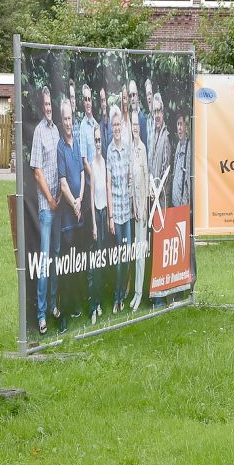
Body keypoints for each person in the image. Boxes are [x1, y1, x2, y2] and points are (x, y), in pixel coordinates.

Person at [29, 86, 59, 335]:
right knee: (45, 261)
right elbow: (36, 171)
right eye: (46, 105)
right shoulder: (39, 132)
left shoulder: (56, 129)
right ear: (41, 107)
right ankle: (41, 314)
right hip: (46, 208)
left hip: (58, 206)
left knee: (57, 259)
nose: (49, 108)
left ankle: (53, 305)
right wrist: (50, 198)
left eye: (51, 105)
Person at [56, 97, 84, 331]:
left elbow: (82, 175)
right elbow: (63, 183)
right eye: (64, 118)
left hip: (80, 216)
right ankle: (63, 316)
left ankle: (75, 306)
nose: (68, 123)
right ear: (61, 120)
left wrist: (81, 198)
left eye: (70, 118)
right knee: (65, 267)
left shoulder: (77, 142)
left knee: (77, 264)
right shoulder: (59, 147)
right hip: (67, 219)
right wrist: (74, 202)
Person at [106, 105, 131, 313]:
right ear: (111, 127)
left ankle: (123, 294)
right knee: (119, 260)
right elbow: (108, 184)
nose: (116, 128)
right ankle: (116, 297)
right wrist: (111, 217)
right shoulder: (109, 150)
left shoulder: (127, 149)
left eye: (118, 125)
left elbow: (130, 178)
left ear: (122, 127)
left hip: (128, 213)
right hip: (117, 215)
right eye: (113, 125)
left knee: (128, 255)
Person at [128, 111, 150, 312]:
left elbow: (145, 176)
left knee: (142, 254)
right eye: (132, 124)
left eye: (137, 124)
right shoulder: (131, 148)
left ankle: (140, 294)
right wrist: (134, 205)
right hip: (134, 210)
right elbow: (131, 180)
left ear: (140, 127)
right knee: (135, 253)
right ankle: (135, 293)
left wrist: (143, 206)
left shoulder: (142, 148)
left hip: (142, 211)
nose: (135, 127)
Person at [88, 124, 108, 325]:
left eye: (100, 140)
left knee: (102, 263)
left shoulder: (105, 163)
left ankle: (100, 302)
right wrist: (93, 225)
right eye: (95, 141)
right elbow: (92, 196)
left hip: (105, 215)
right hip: (96, 218)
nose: (98, 143)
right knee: (94, 265)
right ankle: (93, 306)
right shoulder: (93, 165)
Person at [147, 89, 172, 212]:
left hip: (162, 199)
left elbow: (165, 173)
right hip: (153, 196)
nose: (157, 115)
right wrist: (151, 189)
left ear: (162, 113)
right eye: (154, 111)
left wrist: (157, 192)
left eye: (159, 111)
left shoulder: (166, 138)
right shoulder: (153, 136)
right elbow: (150, 167)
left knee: (163, 230)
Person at [171, 112, 191, 208]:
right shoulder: (179, 145)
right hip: (175, 203)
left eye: (181, 124)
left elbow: (188, 179)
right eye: (178, 124)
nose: (179, 128)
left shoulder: (188, 148)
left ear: (186, 127)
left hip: (183, 204)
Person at [129, 79, 148, 151]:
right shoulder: (129, 120)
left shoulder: (142, 119)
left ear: (137, 96)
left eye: (134, 95)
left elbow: (145, 146)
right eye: (130, 95)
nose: (132, 98)